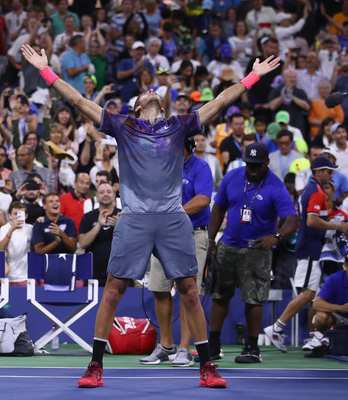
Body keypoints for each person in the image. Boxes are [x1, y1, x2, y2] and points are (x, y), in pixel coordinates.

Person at [21, 43, 280, 389]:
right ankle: (95, 365)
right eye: (146, 92)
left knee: (189, 291)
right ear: (138, 106)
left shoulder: (179, 126)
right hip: (135, 218)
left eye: (155, 90)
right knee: (113, 290)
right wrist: (46, 70)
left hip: (173, 218)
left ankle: (206, 366)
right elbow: (79, 102)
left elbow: (219, 103)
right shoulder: (123, 126)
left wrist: (251, 77)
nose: (151, 91)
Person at [208, 143, 299, 363]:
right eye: (250, 164)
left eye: (258, 165)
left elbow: (293, 219)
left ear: (267, 163)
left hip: (256, 250)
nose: (253, 168)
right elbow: (218, 207)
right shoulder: (232, 176)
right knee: (220, 296)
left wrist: (276, 237)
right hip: (228, 246)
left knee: (254, 300)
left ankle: (252, 348)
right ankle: (213, 345)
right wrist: (211, 240)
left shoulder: (276, 186)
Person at [141, 137, 214, 367]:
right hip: (163, 235)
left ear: (188, 149)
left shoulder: (200, 167)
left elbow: (203, 199)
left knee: (187, 290)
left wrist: (175, 212)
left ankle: (184, 349)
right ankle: (166, 345)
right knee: (159, 288)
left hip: (192, 233)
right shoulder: (161, 167)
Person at [264, 156, 348, 352]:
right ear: (318, 172)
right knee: (308, 294)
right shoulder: (316, 192)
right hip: (311, 249)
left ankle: (314, 336)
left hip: (308, 248)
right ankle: (277, 328)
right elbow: (311, 221)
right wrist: (337, 226)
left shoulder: (310, 190)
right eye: (328, 171)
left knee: (309, 293)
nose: (331, 175)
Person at [79, 182, 121, 286]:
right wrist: (98, 225)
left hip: (120, 272)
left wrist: (120, 227)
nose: (105, 194)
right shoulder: (88, 217)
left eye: (109, 192)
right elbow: (83, 243)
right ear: (96, 197)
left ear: (114, 195)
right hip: (93, 273)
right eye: (101, 192)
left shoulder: (123, 215)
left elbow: (134, 243)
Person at [309, 267, 348, 357]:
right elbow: (316, 304)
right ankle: (324, 338)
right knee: (321, 317)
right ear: (345, 266)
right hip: (338, 316)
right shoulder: (334, 279)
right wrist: (340, 308)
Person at [0, 202, 33, 286]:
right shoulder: (4, 228)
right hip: (9, 276)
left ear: (26, 215)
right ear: (10, 215)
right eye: (15, 214)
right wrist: (11, 230)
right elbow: (1, 248)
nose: (18, 216)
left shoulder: (30, 228)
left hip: (26, 276)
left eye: (21, 214)